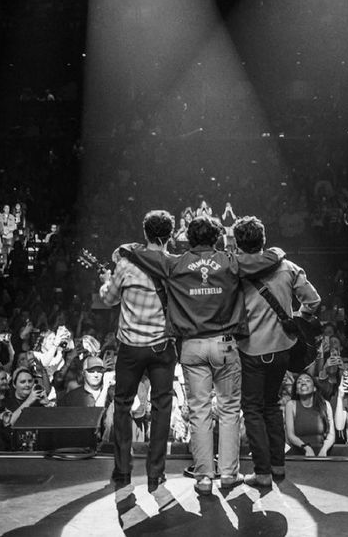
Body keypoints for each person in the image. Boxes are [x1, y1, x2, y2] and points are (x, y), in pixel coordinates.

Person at [119, 214, 284, 496]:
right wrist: (278, 252)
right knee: (230, 410)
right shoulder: (230, 261)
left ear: (188, 238)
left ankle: (205, 478)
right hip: (225, 345)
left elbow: (139, 254)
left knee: (199, 412)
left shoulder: (174, 262)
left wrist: (128, 247)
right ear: (217, 237)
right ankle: (230, 475)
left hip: (192, 348)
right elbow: (266, 260)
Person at [233, 215, 320, 487]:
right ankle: (278, 467)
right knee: (271, 405)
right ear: (264, 240)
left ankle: (262, 472)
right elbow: (314, 301)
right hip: (282, 349)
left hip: (250, 351)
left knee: (252, 409)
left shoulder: (236, 271)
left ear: (237, 244)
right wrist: (295, 316)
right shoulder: (288, 267)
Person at [98, 209, 178, 492]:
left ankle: (122, 470)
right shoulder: (174, 264)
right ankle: (156, 472)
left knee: (122, 406)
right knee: (161, 407)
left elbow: (108, 299)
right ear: (170, 235)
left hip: (131, 348)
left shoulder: (126, 264)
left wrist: (106, 280)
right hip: (162, 347)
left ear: (145, 233)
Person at [284, 372, 335, 457]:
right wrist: (306, 448)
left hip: (322, 452)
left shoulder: (325, 405)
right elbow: (290, 435)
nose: (303, 383)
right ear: (296, 390)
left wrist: (324, 450)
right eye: (299, 382)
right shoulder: (291, 405)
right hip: (299, 452)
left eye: (307, 380)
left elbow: (331, 434)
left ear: (314, 388)